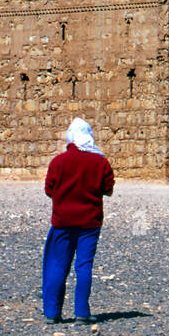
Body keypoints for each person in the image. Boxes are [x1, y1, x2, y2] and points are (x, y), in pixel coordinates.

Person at [42, 117, 115, 323]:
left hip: (62, 222)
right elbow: (108, 190)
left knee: (57, 264)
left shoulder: (58, 162)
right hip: (90, 223)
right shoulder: (100, 162)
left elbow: (49, 190)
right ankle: (81, 312)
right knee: (84, 266)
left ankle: (52, 312)